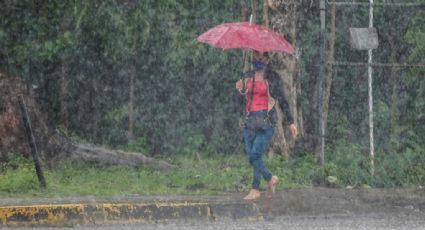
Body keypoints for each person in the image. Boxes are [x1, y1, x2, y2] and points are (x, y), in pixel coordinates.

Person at [235, 51, 298, 200]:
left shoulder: (273, 78)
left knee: (255, 154)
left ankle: (257, 187)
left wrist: (291, 122)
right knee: (252, 156)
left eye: (262, 57)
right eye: (256, 56)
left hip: (266, 122)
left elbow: (282, 100)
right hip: (250, 121)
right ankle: (267, 181)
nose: (258, 59)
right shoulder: (247, 76)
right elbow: (240, 100)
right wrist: (239, 88)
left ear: (268, 59)